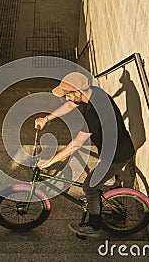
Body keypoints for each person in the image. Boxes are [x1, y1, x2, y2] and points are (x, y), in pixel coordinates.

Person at [35, 72, 135, 237]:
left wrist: (51, 161)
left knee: (90, 186)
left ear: (77, 92)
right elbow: (70, 105)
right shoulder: (93, 92)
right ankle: (117, 214)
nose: (66, 98)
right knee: (110, 179)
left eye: (68, 94)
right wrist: (47, 118)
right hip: (114, 147)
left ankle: (94, 226)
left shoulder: (97, 111)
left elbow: (76, 144)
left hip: (117, 154)